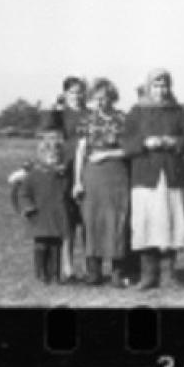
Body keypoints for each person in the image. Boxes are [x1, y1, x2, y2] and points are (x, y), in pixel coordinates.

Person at [122, 69, 184, 290]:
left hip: (172, 175)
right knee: (147, 223)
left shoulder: (177, 111)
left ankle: (169, 274)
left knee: (171, 222)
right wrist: (144, 143)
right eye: (156, 86)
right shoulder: (136, 112)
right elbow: (125, 142)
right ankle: (148, 275)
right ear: (148, 87)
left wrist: (174, 142)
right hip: (145, 176)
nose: (160, 90)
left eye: (164, 86)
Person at [73, 78, 129, 287]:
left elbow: (130, 150)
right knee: (92, 221)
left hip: (117, 176)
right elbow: (80, 151)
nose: (101, 102)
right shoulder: (86, 119)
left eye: (105, 97)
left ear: (112, 97)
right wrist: (77, 181)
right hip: (92, 177)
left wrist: (106, 154)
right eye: (97, 98)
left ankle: (117, 271)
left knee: (116, 222)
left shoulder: (123, 119)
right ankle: (93, 272)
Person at [16, 110, 71, 284]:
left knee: (56, 246)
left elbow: (67, 192)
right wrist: (28, 207)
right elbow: (23, 193)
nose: (53, 159)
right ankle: (41, 274)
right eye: (49, 157)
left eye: (56, 157)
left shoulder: (62, 175)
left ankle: (55, 274)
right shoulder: (34, 175)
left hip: (57, 216)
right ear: (41, 156)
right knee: (41, 246)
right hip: (39, 216)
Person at [56, 75, 88, 283]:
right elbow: (51, 143)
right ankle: (67, 268)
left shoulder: (90, 114)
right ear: (65, 93)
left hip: (87, 170)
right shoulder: (59, 115)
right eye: (72, 92)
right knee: (66, 221)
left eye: (79, 92)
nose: (76, 96)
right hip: (65, 171)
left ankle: (89, 267)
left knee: (86, 220)